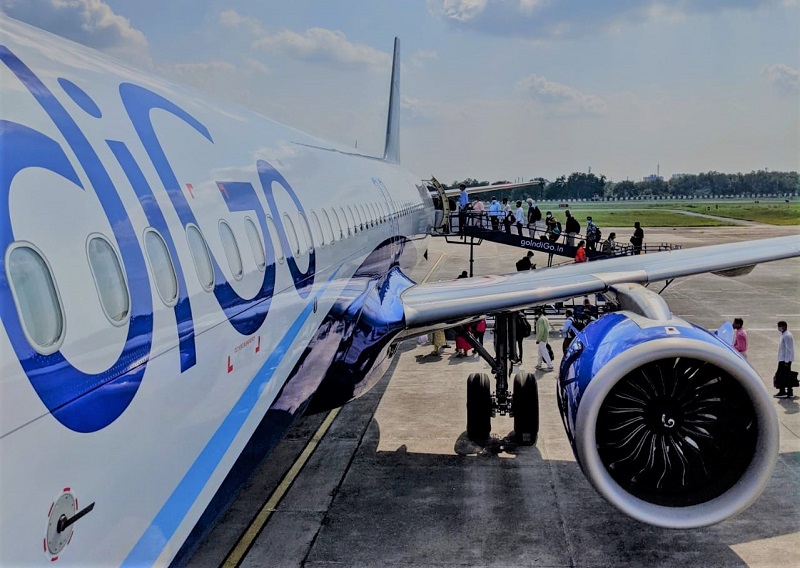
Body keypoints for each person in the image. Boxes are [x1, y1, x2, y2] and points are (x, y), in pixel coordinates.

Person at [774, 321, 796, 398]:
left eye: (780, 326)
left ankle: (785, 391)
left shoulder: (787, 335)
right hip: (782, 359)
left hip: (785, 360)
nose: (778, 328)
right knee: (784, 376)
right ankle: (785, 391)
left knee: (784, 376)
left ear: (784, 326)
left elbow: (788, 349)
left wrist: (786, 361)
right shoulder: (784, 334)